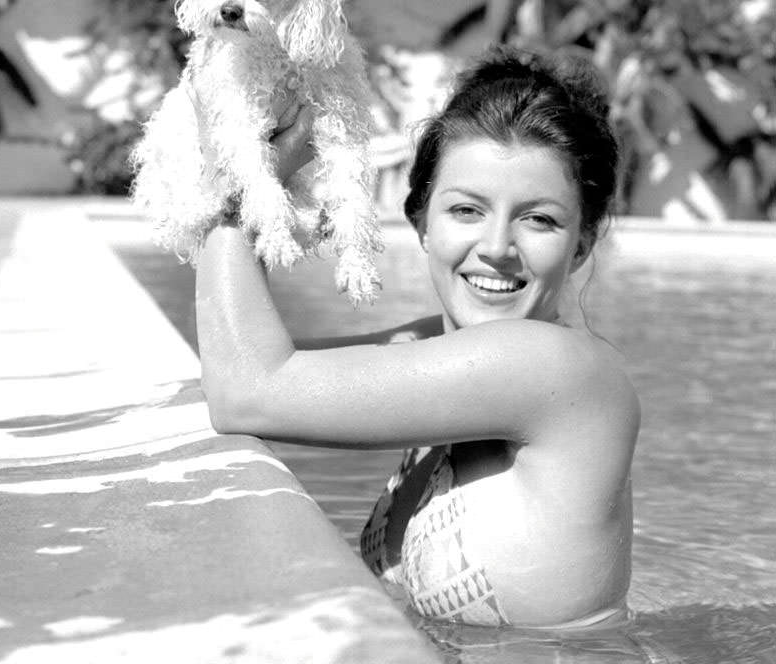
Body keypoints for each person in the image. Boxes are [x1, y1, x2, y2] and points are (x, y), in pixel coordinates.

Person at [195, 46, 640, 629]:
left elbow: (245, 391)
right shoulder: (432, 351)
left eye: (540, 219)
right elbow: (250, 365)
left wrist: (238, 186)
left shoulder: (557, 368)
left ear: (581, 244)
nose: (498, 247)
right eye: (467, 210)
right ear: (421, 221)